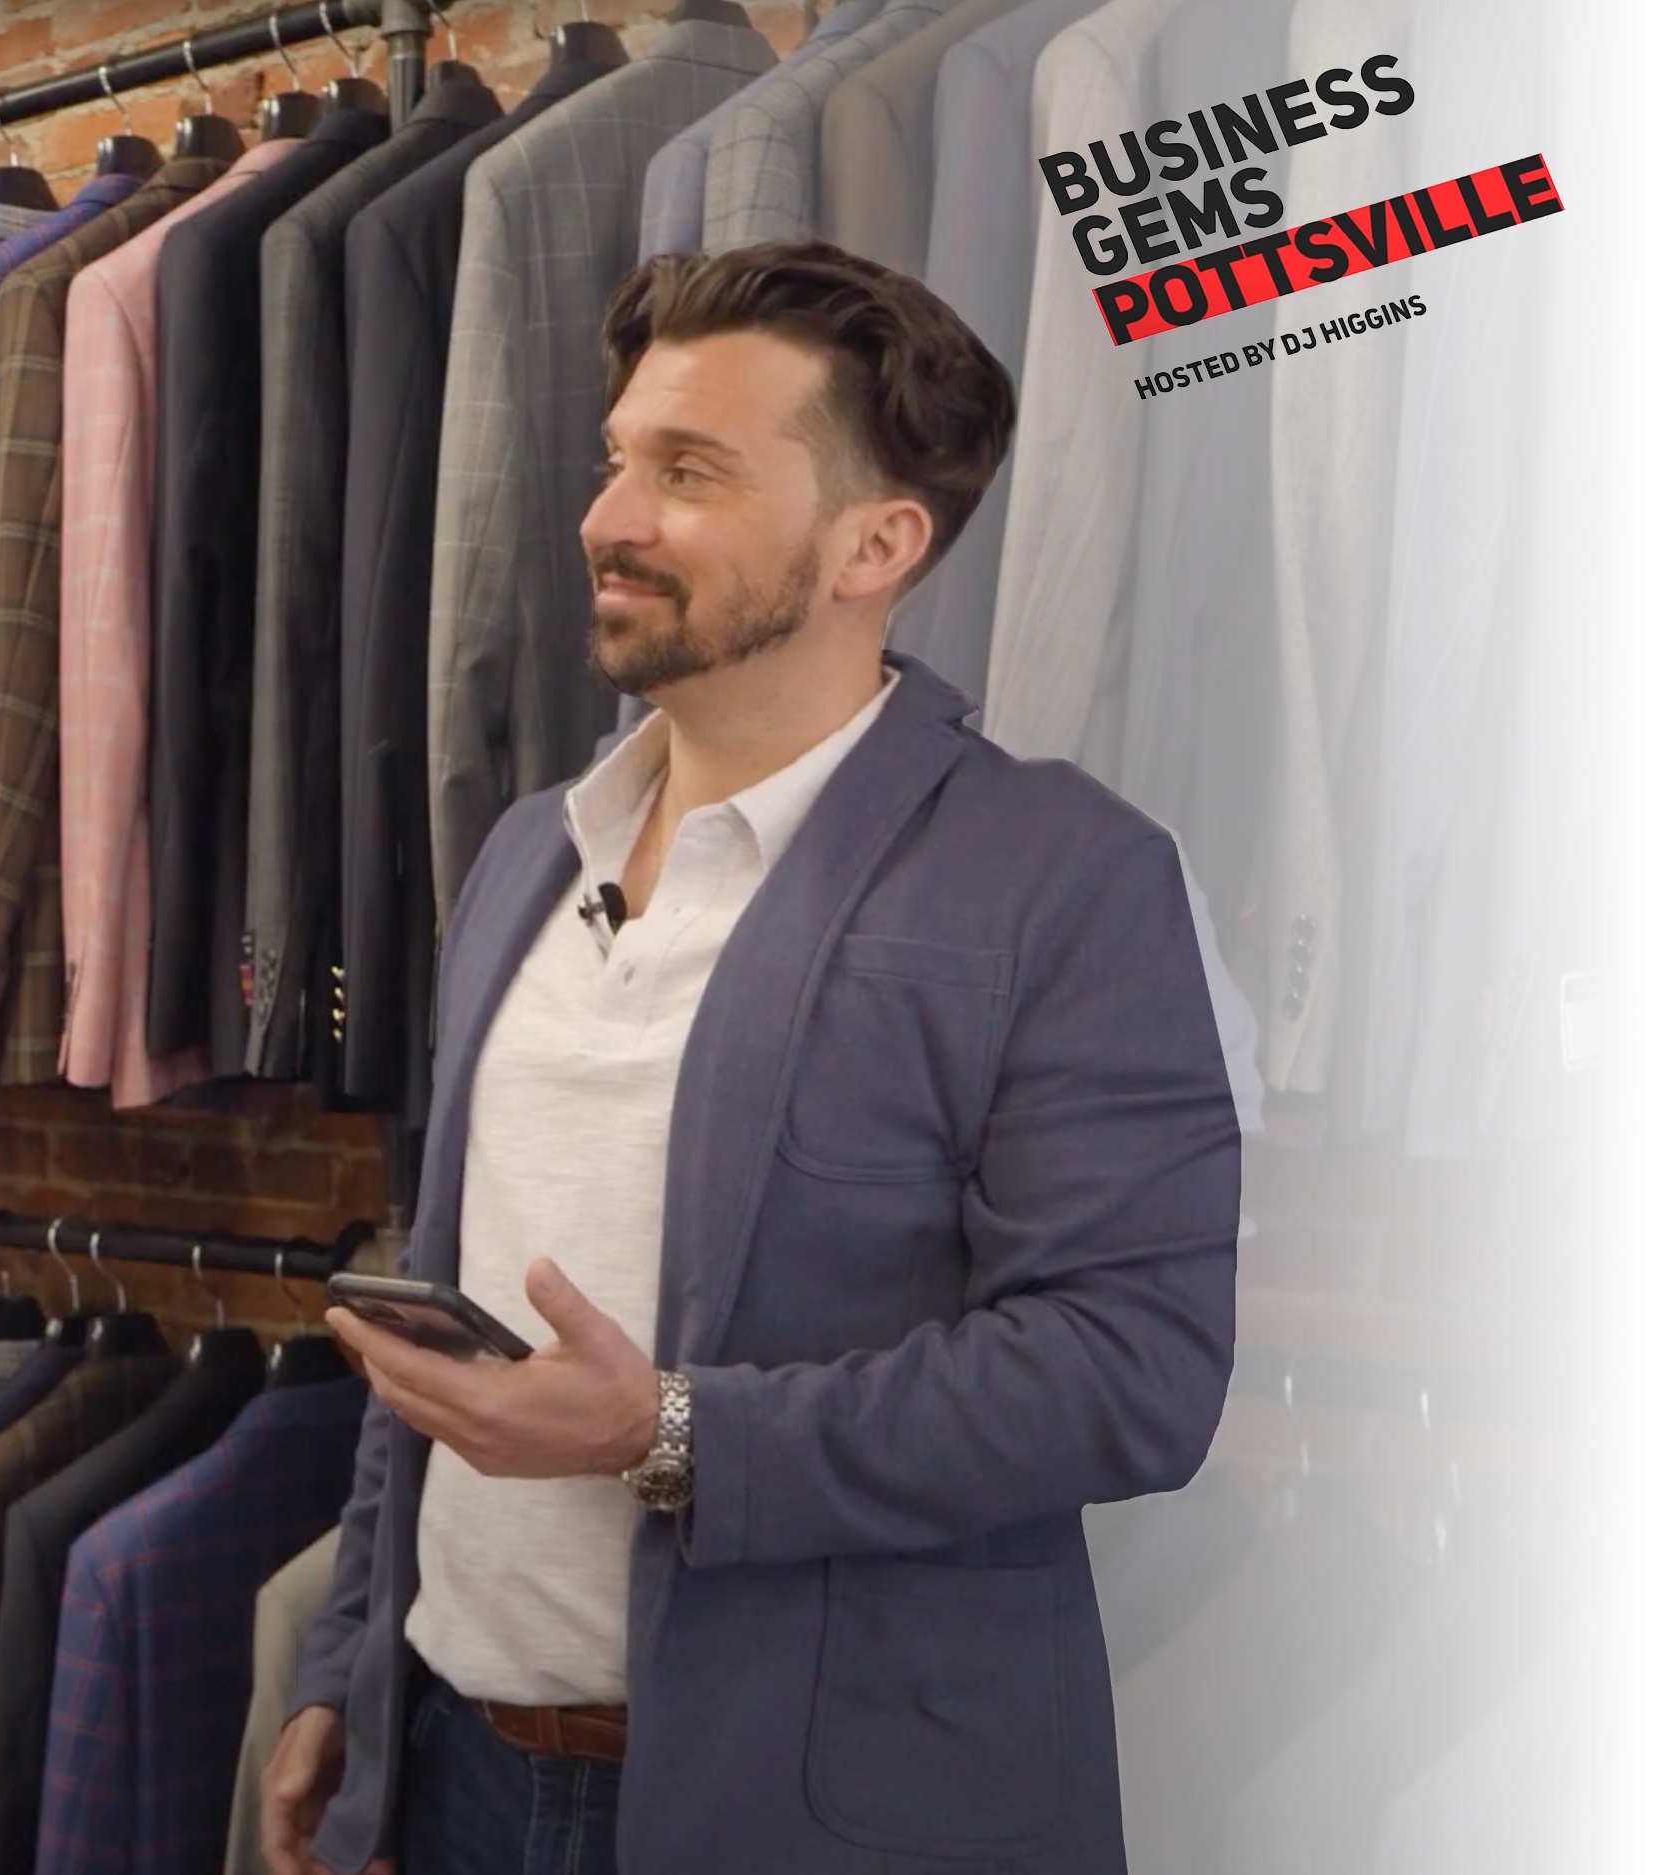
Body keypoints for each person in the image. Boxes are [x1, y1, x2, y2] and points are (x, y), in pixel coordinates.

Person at [260, 243, 1240, 1874]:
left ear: (878, 541)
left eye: (688, 471)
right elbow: (447, 1306)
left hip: (815, 1806)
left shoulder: (1064, 875)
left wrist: (669, 1432)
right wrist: (349, 1661)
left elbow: (1127, 1376)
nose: (606, 518)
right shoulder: (524, 851)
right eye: (617, 461)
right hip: (448, 1768)